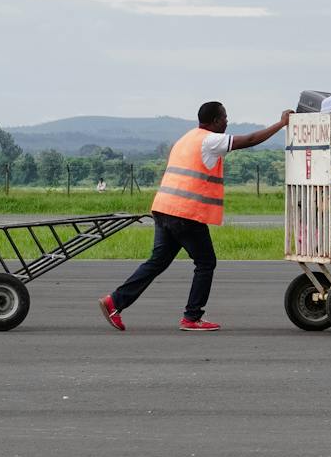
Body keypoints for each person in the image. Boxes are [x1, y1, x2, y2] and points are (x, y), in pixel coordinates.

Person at [101, 102, 291, 333]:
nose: (227, 122)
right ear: (214, 121)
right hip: (184, 213)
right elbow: (250, 140)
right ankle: (192, 317)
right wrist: (282, 124)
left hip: (163, 208)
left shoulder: (187, 138)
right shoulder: (210, 140)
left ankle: (115, 301)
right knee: (205, 262)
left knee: (157, 262)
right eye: (225, 118)